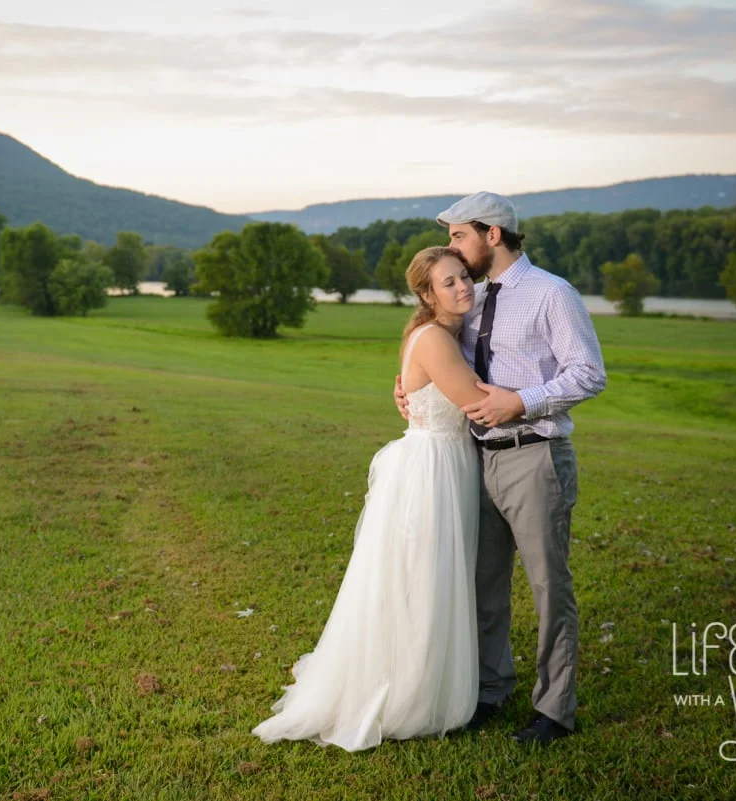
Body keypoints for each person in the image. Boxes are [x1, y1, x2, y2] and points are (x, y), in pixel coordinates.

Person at [252, 247, 490, 752]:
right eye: (448, 283)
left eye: (464, 277)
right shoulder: (433, 339)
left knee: (430, 575)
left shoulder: (440, 330)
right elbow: (478, 402)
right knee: (423, 577)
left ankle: (427, 675)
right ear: (427, 294)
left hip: (445, 461)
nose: (462, 287)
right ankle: (412, 692)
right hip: (433, 468)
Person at [394, 192, 607, 745]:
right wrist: (408, 390)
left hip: (535, 456)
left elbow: (589, 374)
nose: (454, 251)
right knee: (485, 584)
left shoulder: (552, 294)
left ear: (492, 234)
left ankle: (554, 710)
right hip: (476, 459)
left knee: (547, 586)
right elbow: (441, 355)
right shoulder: (473, 296)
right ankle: (491, 690)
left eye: (460, 236)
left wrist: (523, 400)